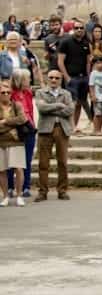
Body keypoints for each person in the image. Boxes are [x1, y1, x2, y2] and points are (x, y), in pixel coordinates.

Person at [35, 70, 75, 202]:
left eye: (56, 78)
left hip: (62, 129)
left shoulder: (66, 93)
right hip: (45, 130)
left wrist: (50, 108)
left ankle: (62, 190)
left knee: (62, 161)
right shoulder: (40, 92)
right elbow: (41, 108)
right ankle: (42, 191)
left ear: (61, 80)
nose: (53, 80)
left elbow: (70, 110)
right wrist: (58, 105)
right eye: (51, 77)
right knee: (43, 162)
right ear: (47, 78)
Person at [57, 21, 92, 132]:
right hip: (72, 77)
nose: (79, 30)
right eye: (77, 28)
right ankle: (71, 126)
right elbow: (60, 61)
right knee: (72, 103)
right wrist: (66, 77)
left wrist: (88, 77)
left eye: (81, 28)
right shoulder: (66, 42)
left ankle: (75, 125)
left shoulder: (86, 44)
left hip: (83, 77)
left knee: (81, 102)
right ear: (73, 29)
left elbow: (88, 62)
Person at [0, 80, 29, 207]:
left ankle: (19, 195)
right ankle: (5, 196)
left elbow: (23, 119)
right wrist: (12, 125)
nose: (6, 94)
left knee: (18, 169)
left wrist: (4, 122)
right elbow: (17, 121)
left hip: (17, 142)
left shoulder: (17, 105)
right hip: (1, 143)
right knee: (2, 171)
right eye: (3, 92)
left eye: (8, 92)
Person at [8, 69, 35, 201]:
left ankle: (26, 187)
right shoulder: (10, 95)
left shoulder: (28, 93)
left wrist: (32, 125)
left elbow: (30, 111)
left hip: (29, 129)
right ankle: (10, 187)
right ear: (20, 81)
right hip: (14, 130)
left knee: (27, 159)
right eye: (27, 79)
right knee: (11, 160)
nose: (29, 81)